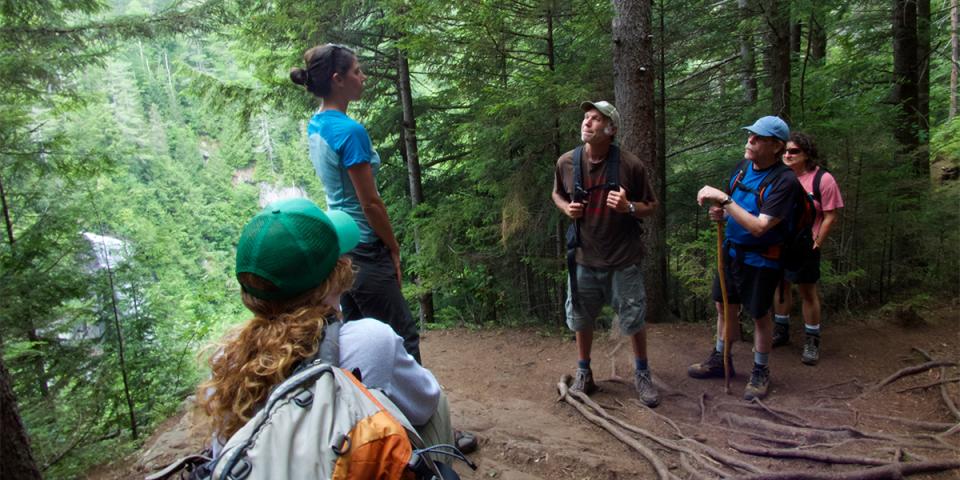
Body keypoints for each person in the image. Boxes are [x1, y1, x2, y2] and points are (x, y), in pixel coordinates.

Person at [196, 197, 453, 459]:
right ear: (335, 276)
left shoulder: (226, 364)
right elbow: (425, 403)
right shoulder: (370, 340)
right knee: (437, 403)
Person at [290, 43, 420, 364]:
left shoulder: (317, 123)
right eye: (357, 71)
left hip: (339, 242)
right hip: (365, 246)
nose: (363, 77)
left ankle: (365, 409)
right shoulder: (351, 132)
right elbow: (370, 203)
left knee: (355, 336)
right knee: (401, 337)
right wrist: (393, 247)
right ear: (338, 79)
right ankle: (415, 413)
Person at [552, 100, 660, 407]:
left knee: (634, 318)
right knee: (581, 318)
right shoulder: (567, 162)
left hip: (623, 259)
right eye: (586, 117)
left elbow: (651, 206)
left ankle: (642, 374)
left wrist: (628, 207)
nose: (587, 122)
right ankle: (584, 371)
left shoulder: (630, 165)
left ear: (610, 129)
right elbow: (557, 193)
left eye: (596, 119)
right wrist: (566, 208)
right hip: (584, 257)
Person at [690, 116, 802, 401]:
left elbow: (760, 226)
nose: (749, 141)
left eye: (758, 138)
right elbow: (737, 209)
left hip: (762, 259)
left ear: (776, 147)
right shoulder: (742, 170)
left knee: (759, 315)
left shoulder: (784, 181)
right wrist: (722, 213)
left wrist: (725, 201)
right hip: (731, 253)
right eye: (750, 135)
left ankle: (760, 371)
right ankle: (720, 359)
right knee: (723, 306)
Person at [773, 132, 844, 365]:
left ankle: (812, 340)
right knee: (781, 287)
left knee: (807, 291)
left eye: (794, 151)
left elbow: (830, 214)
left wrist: (818, 240)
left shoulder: (822, 179)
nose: (788, 155)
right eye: (785, 151)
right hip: (780, 242)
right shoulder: (780, 177)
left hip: (806, 243)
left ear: (806, 154)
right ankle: (781, 331)